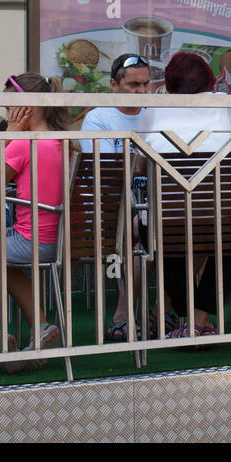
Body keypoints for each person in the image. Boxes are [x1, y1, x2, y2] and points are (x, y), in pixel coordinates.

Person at [135, 51, 231, 337]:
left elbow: (139, 165)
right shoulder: (226, 106)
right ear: (209, 80)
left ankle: (190, 317)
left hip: (168, 222)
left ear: (169, 82)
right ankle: (200, 320)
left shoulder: (153, 110)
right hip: (226, 220)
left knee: (157, 230)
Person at [0, 73, 71, 370]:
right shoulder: (61, 140)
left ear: (23, 108)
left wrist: (8, 135)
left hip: (31, 242)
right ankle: (40, 327)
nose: (5, 116)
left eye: (8, 109)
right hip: (58, 241)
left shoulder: (22, 143)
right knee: (1, 258)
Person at [76, 53, 151, 341]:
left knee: (173, 227)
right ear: (114, 85)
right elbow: (106, 173)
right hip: (110, 208)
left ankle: (159, 311)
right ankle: (123, 314)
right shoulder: (99, 117)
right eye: (134, 85)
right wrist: (142, 161)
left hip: (152, 205)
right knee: (147, 232)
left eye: (146, 85)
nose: (142, 92)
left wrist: (133, 160)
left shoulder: (155, 112)